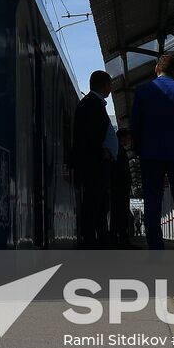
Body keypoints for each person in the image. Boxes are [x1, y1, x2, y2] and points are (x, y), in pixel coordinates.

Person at [129, 53, 174, 250]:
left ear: (156, 69)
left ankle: (156, 246)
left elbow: (135, 125)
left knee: (152, 200)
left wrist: (139, 149)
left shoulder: (143, 91)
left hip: (150, 155)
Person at [72, 71, 115, 248]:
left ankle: (99, 240)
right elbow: (90, 135)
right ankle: (91, 241)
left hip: (95, 164)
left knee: (99, 205)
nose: (111, 89)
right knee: (93, 205)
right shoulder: (92, 105)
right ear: (104, 85)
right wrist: (102, 152)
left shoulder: (91, 103)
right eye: (110, 85)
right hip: (94, 165)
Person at [108, 129, 136, 247]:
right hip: (120, 188)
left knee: (116, 213)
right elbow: (121, 171)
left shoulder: (117, 150)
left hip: (117, 187)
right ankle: (122, 240)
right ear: (122, 138)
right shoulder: (120, 151)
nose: (129, 140)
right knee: (121, 213)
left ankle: (114, 239)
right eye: (128, 137)